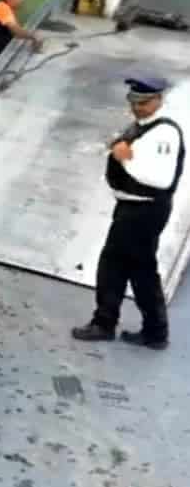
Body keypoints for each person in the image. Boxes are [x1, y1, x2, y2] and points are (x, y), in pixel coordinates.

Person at [72, 76, 185, 350]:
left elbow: (161, 178)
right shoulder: (143, 127)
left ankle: (108, 323)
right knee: (137, 268)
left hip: (144, 211)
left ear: (159, 100)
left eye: (144, 102)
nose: (138, 107)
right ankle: (152, 331)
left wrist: (125, 158)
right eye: (134, 102)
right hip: (133, 208)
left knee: (119, 266)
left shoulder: (164, 133)